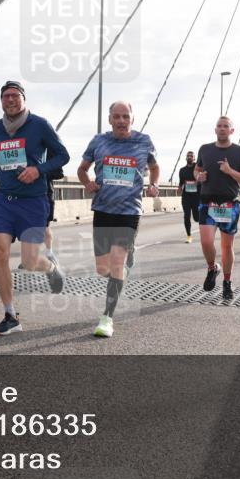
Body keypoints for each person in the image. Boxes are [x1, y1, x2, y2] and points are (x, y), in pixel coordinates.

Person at [0, 81, 69, 335]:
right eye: (6, 96)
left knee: (29, 262)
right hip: (5, 200)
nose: (10, 100)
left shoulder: (39, 125)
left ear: (24, 99)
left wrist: (38, 169)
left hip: (33, 201)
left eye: (15, 95)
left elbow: (63, 155)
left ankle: (50, 268)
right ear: (1, 101)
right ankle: (10, 315)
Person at [77, 101, 158, 338]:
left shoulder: (144, 141)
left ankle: (107, 318)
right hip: (102, 209)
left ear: (133, 118)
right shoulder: (98, 141)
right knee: (103, 268)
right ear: (110, 119)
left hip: (129, 211)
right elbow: (82, 169)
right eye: (116, 116)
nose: (121, 121)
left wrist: (153, 184)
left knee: (116, 263)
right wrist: (87, 183)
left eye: (125, 116)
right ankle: (126, 259)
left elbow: (154, 167)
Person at [195, 116, 240, 300]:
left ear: (231, 131)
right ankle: (213, 268)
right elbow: (197, 170)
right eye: (219, 126)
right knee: (205, 241)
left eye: (226, 126)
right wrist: (199, 176)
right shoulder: (205, 149)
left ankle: (227, 282)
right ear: (215, 129)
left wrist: (229, 171)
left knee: (227, 247)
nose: (222, 129)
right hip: (207, 201)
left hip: (230, 203)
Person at [177, 150, 200, 243]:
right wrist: (179, 188)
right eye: (188, 156)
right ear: (186, 158)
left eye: (191, 156)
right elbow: (181, 182)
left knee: (196, 218)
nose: (190, 157)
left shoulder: (197, 168)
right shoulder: (182, 170)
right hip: (186, 196)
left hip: (196, 196)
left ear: (194, 158)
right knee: (187, 215)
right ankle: (189, 236)